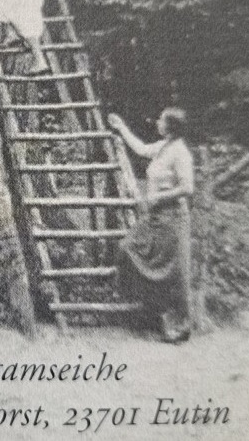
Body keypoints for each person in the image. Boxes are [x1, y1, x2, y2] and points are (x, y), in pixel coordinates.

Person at [107, 108, 194, 343]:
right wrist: (121, 127)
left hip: (173, 218)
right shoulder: (164, 146)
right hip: (155, 217)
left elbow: (187, 188)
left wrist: (158, 197)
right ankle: (154, 315)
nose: (157, 122)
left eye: (161, 120)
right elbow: (141, 149)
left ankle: (179, 326)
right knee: (129, 248)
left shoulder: (180, 153)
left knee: (172, 272)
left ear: (171, 127)